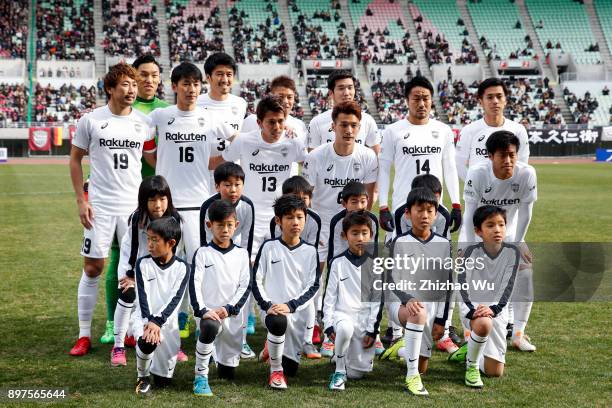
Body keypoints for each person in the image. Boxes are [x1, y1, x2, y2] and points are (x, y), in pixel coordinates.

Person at [69, 63, 155, 356]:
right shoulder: (91, 121)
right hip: (100, 207)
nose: (132, 90)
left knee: (135, 270)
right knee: (93, 267)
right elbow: (75, 159)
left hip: (134, 207)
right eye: (125, 85)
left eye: (134, 84)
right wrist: (82, 200)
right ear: (110, 88)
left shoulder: (144, 123)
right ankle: (83, 335)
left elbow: (154, 160)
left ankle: (130, 331)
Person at [148, 62, 236, 346]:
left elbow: (235, 141)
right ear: (174, 86)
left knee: (199, 266)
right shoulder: (161, 116)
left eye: (196, 84)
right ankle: (167, 322)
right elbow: (144, 145)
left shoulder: (209, 118)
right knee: (166, 265)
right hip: (167, 206)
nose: (192, 89)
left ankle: (202, 320)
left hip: (199, 205)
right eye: (185, 83)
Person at [98, 55, 170, 347]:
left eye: (154, 75)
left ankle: (164, 319)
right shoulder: (125, 108)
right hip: (128, 197)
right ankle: (113, 321)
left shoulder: (167, 110)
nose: (149, 80)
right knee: (121, 257)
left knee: (163, 257)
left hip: (161, 199)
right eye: (143, 75)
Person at [302, 101, 378, 357]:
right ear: (332, 126)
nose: (348, 130)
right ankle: (317, 330)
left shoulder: (367, 156)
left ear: (360, 128)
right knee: (318, 279)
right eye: (343, 125)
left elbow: (369, 195)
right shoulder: (315, 157)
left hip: (355, 228)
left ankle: (368, 329)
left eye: (353, 125)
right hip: (324, 227)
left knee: (361, 277)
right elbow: (307, 196)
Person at [459, 130, 537, 351]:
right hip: (478, 234)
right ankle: (469, 333)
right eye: (503, 155)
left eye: (512, 155)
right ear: (490, 156)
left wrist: (518, 243)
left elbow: (526, 213)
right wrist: (467, 245)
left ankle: (519, 334)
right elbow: (469, 213)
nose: (509, 160)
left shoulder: (527, 174)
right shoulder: (477, 173)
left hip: (509, 234)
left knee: (525, 274)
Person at [379, 188, 452, 396]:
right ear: (408, 214)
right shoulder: (398, 242)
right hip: (400, 303)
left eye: (430, 210)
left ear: (436, 214)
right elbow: (390, 280)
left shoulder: (444, 244)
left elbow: (447, 284)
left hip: (428, 306)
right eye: (419, 210)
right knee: (417, 312)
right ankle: (411, 377)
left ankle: (401, 349)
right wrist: (407, 298)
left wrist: (442, 319)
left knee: (423, 366)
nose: (425, 215)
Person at [111, 176, 182, 367]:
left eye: (162, 199)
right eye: (152, 200)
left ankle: (173, 343)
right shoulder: (137, 219)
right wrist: (131, 277)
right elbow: (132, 251)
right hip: (133, 267)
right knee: (128, 293)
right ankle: (118, 346)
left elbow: (172, 256)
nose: (158, 205)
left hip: (159, 270)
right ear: (144, 201)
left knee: (167, 297)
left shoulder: (175, 220)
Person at [377, 76, 461, 238]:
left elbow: (450, 168)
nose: (421, 104)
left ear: (431, 100)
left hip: (433, 210)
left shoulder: (444, 130)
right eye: (416, 99)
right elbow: (384, 170)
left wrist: (456, 204)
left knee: (436, 260)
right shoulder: (393, 131)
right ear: (407, 100)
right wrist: (383, 206)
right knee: (401, 260)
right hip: (403, 207)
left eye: (426, 98)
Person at [252, 195, 320, 389]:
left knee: (292, 369)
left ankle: (271, 346)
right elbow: (256, 280)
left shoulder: (310, 251)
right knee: (277, 322)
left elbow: (313, 286)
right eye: (289, 217)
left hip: (296, 314)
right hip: (273, 311)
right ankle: (275, 370)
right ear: (278, 221)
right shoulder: (268, 247)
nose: (295, 222)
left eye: (299, 217)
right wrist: (267, 306)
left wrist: (291, 306)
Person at [448, 205, 520, 388]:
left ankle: (469, 348)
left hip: (498, 311)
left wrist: (494, 309)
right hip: (475, 310)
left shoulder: (512, 253)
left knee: (495, 372)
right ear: (478, 231)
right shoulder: (470, 253)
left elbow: (507, 288)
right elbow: (462, 288)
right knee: (484, 323)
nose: (497, 229)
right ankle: (471, 365)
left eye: (501, 224)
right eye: (490, 225)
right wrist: (473, 311)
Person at [190, 199, 251, 396]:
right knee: (209, 327)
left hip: (232, 317)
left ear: (236, 225)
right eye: (220, 225)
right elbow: (195, 285)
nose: (225, 229)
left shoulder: (242, 255)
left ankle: (216, 356)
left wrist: (228, 308)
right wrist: (203, 311)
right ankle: (200, 376)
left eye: (229, 225)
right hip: (209, 315)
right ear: (209, 225)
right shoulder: (202, 253)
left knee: (227, 374)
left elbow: (245, 287)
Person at [200, 162, 256, 359]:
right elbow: (203, 240)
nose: (233, 190)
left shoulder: (247, 206)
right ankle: (208, 333)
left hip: (236, 251)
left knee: (241, 290)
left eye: (238, 184)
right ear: (217, 186)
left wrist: (245, 261)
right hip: (212, 252)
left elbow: (247, 237)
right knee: (212, 290)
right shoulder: (208, 206)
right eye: (227, 185)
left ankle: (241, 341)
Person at [323, 212, 383, 390]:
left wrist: (373, 331)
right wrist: (328, 324)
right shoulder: (337, 263)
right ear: (344, 236)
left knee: (356, 374)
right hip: (343, 316)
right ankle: (339, 372)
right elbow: (329, 298)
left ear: (371, 235)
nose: (360, 238)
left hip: (364, 322)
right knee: (345, 328)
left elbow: (377, 302)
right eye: (355, 233)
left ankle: (341, 354)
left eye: (364, 233)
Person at [134, 217, 189, 396]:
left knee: (164, 382)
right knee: (146, 340)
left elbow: (175, 300)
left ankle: (157, 370)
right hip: (145, 320)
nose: (149, 244)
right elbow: (143, 298)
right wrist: (150, 322)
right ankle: (142, 377)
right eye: (148, 238)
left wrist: (159, 321)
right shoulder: (142, 264)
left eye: (155, 240)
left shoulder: (182, 268)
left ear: (171, 243)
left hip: (167, 325)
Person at [269, 176, 322, 359]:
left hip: (305, 264)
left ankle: (308, 340)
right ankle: (272, 340)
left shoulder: (314, 219)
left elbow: (312, 250)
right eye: (294, 197)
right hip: (284, 265)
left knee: (310, 299)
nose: (299, 202)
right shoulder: (276, 220)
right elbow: (278, 248)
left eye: (303, 198)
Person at [456, 78, 529, 181]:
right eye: (490, 97)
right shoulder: (469, 131)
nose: (495, 101)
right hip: (479, 195)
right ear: (481, 102)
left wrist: (507, 187)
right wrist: (474, 185)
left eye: (499, 96)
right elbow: (459, 164)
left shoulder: (519, 130)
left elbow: (522, 165)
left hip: (508, 194)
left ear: (505, 100)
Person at [307, 70, 380, 154]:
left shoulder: (367, 120)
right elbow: (312, 159)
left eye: (350, 87)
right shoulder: (317, 122)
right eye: (341, 88)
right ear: (331, 93)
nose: (346, 93)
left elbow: (377, 156)